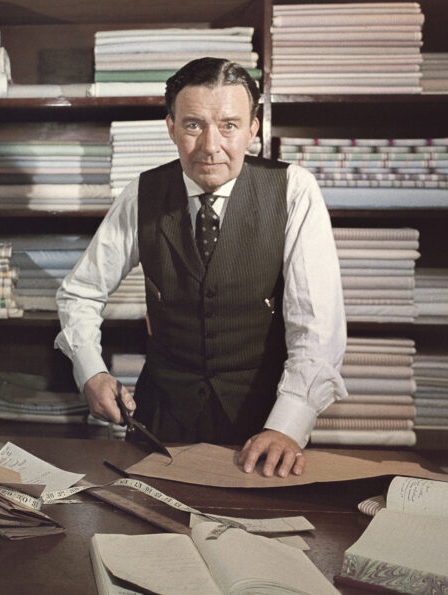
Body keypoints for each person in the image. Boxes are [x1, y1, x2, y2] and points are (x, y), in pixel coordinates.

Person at [55, 57, 347, 478]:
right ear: (171, 127)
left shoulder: (294, 191)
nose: (211, 146)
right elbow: (80, 292)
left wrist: (288, 426)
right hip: (159, 420)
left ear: (254, 129)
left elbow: (318, 329)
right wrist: (92, 371)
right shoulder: (143, 193)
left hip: (265, 424)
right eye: (194, 125)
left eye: (229, 125)